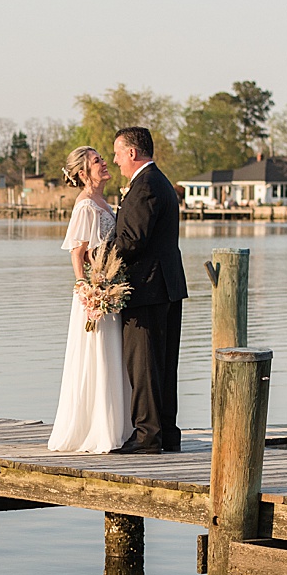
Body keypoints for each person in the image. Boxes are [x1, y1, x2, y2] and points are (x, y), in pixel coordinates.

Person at [46, 146, 132, 453]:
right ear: (83, 173)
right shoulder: (85, 206)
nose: (105, 163)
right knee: (97, 355)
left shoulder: (102, 201)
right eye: (98, 161)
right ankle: (95, 428)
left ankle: (116, 426)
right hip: (94, 293)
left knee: (111, 355)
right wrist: (87, 288)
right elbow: (77, 252)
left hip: (109, 287)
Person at [109, 126, 188, 453]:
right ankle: (166, 433)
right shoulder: (159, 182)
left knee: (144, 366)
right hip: (165, 286)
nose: (115, 161)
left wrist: (100, 252)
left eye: (117, 153)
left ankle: (147, 436)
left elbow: (132, 241)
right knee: (164, 364)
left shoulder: (146, 186)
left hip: (148, 289)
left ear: (132, 152)